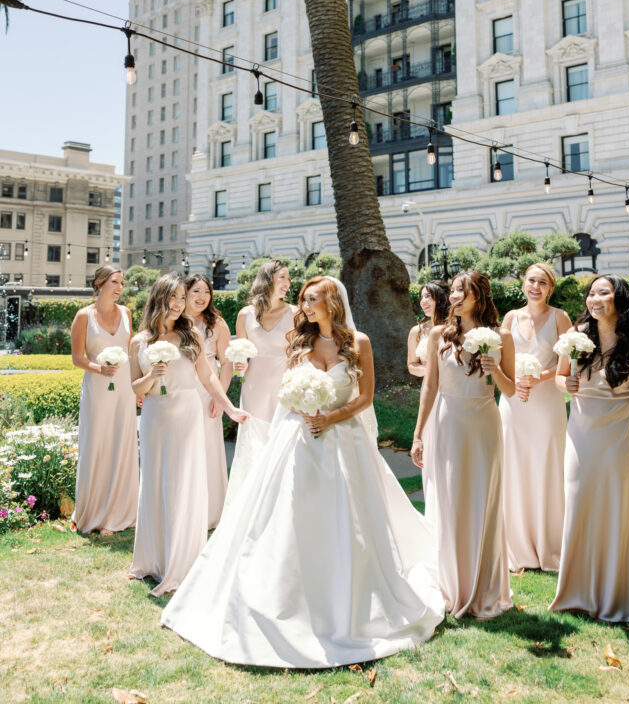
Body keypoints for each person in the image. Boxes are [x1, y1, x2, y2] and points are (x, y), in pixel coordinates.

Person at [161, 276, 444, 668]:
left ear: (332, 301)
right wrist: (301, 411)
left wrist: (329, 417)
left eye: (312, 299)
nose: (305, 306)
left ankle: (349, 598)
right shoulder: (299, 342)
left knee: (347, 522)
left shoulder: (357, 343)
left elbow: (364, 398)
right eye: (303, 300)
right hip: (299, 440)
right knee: (291, 518)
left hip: (343, 442)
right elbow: (287, 392)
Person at [129, 275, 248, 597]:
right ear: (159, 299)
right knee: (155, 484)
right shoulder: (139, 341)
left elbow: (208, 377)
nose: (180, 303)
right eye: (174, 297)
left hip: (187, 415)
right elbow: (134, 389)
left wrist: (229, 408)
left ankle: (181, 564)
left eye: (183, 297)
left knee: (181, 485)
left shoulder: (191, 333)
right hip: (155, 418)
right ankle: (152, 561)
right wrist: (152, 375)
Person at [411, 271, 514, 619]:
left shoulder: (501, 337)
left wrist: (494, 368)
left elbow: (511, 390)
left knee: (482, 501)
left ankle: (484, 587)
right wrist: (418, 433)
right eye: (453, 289)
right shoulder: (439, 334)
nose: (454, 295)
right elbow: (430, 387)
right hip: (448, 422)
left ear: (479, 296)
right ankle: (452, 585)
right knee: (451, 501)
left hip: (483, 422)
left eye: (462, 291)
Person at [550, 275, 629, 622]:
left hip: (619, 440)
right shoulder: (576, 335)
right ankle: (577, 592)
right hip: (581, 437)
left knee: (615, 512)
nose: (594, 299)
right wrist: (568, 382)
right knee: (579, 508)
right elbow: (558, 377)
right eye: (591, 293)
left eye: (603, 292)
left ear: (619, 299)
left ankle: (615, 593)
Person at [499, 263, 572, 571]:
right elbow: (501, 363)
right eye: (531, 280)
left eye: (543, 282)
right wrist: (514, 381)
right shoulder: (510, 318)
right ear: (523, 284)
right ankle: (516, 545)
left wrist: (540, 377)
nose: (536, 286)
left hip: (547, 405)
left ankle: (549, 543)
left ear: (550, 288)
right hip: (513, 405)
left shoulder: (560, 318)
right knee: (514, 467)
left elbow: (571, 361)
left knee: (547, 467)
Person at [70, 265, 138, 535]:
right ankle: (94, 513)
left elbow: (131, 352)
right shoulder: (83, 316)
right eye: (114, 282)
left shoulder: (127, 314)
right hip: (98, 388)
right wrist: (100, 368)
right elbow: (77, 357)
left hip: (124, 388)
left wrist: (139, 386)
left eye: (122, 282)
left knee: (123, 443)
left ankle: (121, 512)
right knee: (97, 444)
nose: (120, 287)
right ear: (99, 284)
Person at [224, 259, 296, 503]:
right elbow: (240, 358)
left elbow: (300, 353)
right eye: (283, 277)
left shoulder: (295, 313)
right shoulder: (245, 314)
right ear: (268, 279)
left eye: (288, 278)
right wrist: (239, 366)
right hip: (254, 387)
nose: (288, 283)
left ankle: (282, 499)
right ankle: (251, 500)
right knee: (254, 440)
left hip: (284, 385)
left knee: (282, 437)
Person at [184, 273, 232, 529]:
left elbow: (226, 364)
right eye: (196, 292)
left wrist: (220, 398)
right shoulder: (174, 321)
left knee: (207, 448)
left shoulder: (218, 324)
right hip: (180, 391)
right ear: (185, 293)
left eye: (206, 292)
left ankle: (211, 511)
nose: (202, 297)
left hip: (208, 393)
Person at [406, 282, 450, 498]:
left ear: (441, 299)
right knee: (431, 443)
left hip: (453, 389)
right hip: (430, 390)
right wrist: (430, 370)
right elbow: (412, 365)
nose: (423, 301)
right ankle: (435, 498)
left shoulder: (453, 327)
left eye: (429, 297)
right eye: (421, 297)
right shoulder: (417, 331)